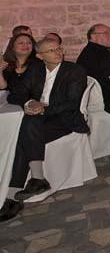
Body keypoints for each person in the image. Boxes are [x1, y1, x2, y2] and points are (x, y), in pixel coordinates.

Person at [0, 37, 88, 222]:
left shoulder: (74, 71)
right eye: (51, 51)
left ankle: (13, 195)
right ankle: (36, 180)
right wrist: (29, 103)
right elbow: (16, 94)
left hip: (65, 119)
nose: (58, 53)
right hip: (41, 119)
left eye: (59, 49)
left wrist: (42, 109)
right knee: (28, 127)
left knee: (24, 135)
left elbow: (71, 103)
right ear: (40, 56)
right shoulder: (36, 69)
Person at [76, 23, 110, 117]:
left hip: (96, 101)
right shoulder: (101, 54)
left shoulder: (90, 51)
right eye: (106, 33)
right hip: (108, 103)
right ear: (93, 36)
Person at [0, 32, 41, 97]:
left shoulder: (39, 64)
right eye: (21, 43)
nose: (25, 45)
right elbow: (3, 87)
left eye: (29, 43)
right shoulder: (8, 66)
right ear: (12, 47)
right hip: (12, 101)